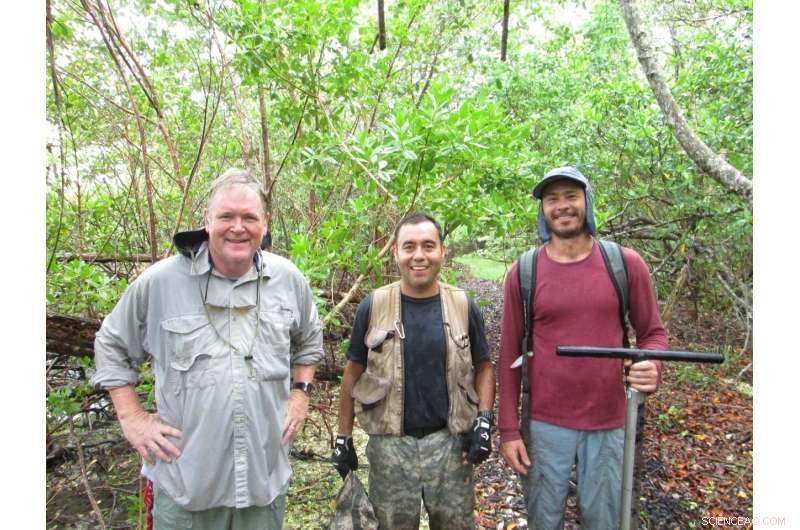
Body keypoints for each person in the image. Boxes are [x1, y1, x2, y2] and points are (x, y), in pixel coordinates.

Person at [91, 168, 323, 529]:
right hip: (188, 489)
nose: (238, 227)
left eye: (249, 217)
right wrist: (131, 418)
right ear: (207, 221)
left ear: (264, 223)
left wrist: (300, 394)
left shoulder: (288, 279)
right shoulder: (160, 283)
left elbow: (309, 340)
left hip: (264, 485)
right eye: (226, 216)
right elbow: (111, 343)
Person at [498, 167, 668, 530]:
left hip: (609, 422)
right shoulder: (524, 272)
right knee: (544, 519)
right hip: (544, 424)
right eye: (552, 199)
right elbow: (509, 358)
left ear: (587, 202)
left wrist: (651, 365)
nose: (562, 206)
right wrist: (509, 431)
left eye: (571, 196)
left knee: (604, 519)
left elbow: (653, 334)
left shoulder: (625, 264)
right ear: (543, 210)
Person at [331, 213, 495, 530]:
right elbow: (352, 374)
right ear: (396, 253)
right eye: (409, 247)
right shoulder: (374, 305)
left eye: (428, 246)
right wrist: (343, 437)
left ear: (442, 252)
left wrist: (484, 422)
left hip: (449, 446)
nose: (419, 255)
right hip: (390, 449)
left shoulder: (462, 305)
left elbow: (484, 366)